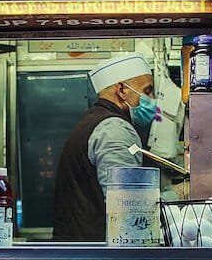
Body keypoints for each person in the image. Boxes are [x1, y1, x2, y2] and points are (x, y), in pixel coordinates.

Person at [53, 54, 160, 241]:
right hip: (98, 259)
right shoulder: (114, 130)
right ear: (122, 90)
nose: (152, 99)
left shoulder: (93, 120)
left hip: (81, 254)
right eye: (147, 91)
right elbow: (127, 207)